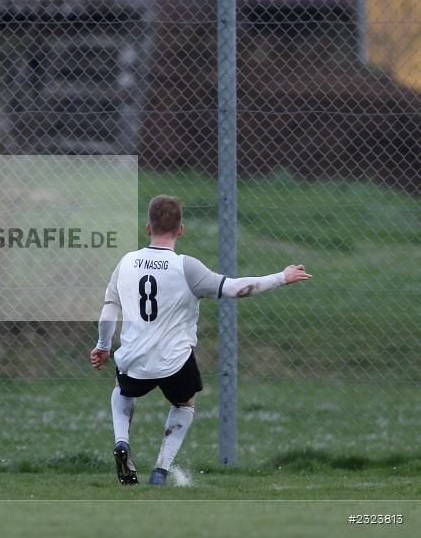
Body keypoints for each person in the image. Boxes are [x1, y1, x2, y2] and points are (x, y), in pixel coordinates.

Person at [90, 195, 312, 486]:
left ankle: (122, 441)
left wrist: (103, 346)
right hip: (174, 362)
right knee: (185, 403)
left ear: (148, 227)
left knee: (122, 388)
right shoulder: (186, 267)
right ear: (181, 230)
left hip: (133, 359)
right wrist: (281, 277)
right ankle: (160, 470)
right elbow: (235, 289)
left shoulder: (126, 262)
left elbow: (109, 310)